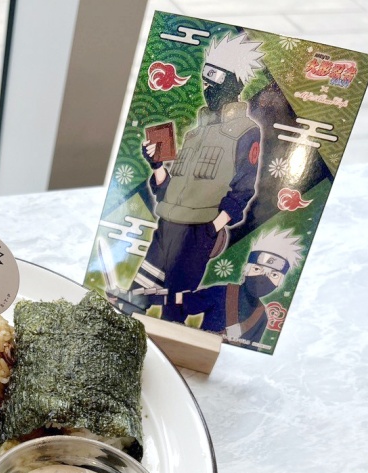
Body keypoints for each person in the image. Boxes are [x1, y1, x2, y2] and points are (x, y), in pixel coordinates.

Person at [112, 32, 265, 321]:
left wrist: (212, 228)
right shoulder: (196, 132)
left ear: (233, 82)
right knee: (138, 292)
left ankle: (168, 344)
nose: (207, 86)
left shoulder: (246, 131)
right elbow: (168, 189)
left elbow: (243, 190)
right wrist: (157, 166)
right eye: (205, 78)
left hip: (198, 231)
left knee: (175, 302)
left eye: (214, 78)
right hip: (168, 223)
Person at [182, 227, 303, 344]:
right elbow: (184, 303)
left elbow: (252, 349)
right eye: (257, 269)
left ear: (280, 283)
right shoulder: (220, 292)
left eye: (274, 275)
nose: (262, 279)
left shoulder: (262, 316)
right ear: (246, 269)